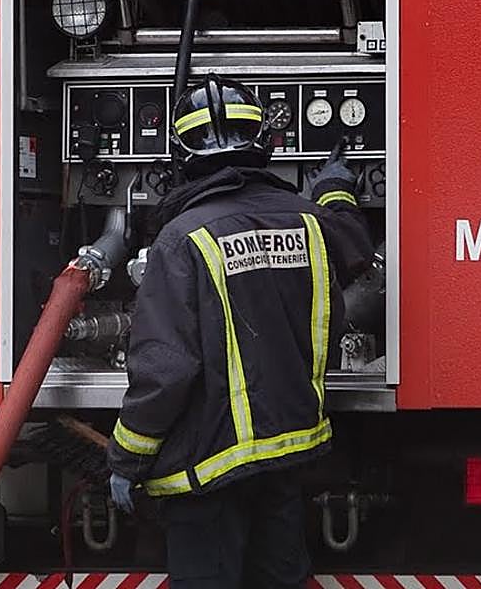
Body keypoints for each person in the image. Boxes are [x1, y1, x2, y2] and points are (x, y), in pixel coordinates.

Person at [106, 73, 374, 588]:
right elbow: (355, 246)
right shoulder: (310, 221)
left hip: (207, 471)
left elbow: (165, 370)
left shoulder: (182, 239)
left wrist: (125, 459)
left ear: (182, 156)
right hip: (285, 457)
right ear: (263, 142)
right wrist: (336, 187)